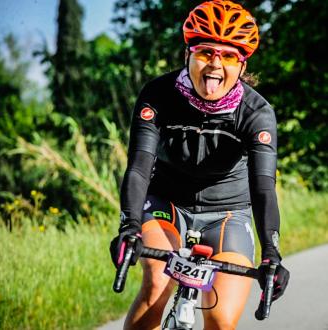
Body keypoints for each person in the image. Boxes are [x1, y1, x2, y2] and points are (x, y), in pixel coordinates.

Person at [110, 1, 290, 329]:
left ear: (241, 63)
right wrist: (130, 228)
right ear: (188, 55)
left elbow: (263, 187)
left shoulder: (256, 113)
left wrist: (271, 255)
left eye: (229, 56)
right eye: (206, 52)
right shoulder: (158, 95)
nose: (215, 66)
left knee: (221, 320)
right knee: (157, 285)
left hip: (228, 213)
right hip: (167, 204)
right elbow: (138, 167)